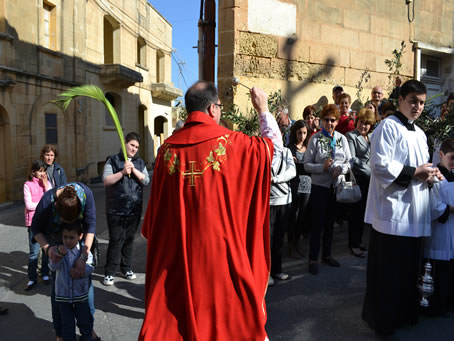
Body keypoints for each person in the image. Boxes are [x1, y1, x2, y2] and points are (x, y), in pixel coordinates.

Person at [139, 81, 282, 340]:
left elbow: (156, 215)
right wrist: (263, 110)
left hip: (177, 256)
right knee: (227, 322)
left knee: (175, 323)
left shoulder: (166, 151)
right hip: (221, 258)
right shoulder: (234, 143)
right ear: (213, 109)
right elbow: (273, 149)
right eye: (219, 107)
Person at [362, 79, 443, 336]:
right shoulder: (387, 126)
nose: (417, 107)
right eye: (413, 102)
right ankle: (384, 321)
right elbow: (379, 165)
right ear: (400, 100)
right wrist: (414, 172)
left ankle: (406, 313)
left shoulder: (420, 133)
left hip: (415, 214)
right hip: (393, 214)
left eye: (421, 103)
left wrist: (430, 175)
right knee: (389, 273)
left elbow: (422, 168)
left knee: (409, 270)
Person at [31, 183, 99, 341]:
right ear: (56, 207)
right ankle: (61, 333)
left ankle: (88, 329)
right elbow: (35, 227)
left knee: (85, 287)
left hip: (79, 241)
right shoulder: (47, 201)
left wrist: (83, 257)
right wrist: (48, 249)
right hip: (55, 242)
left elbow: (91, 226)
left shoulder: (86, 195)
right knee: (59, 289)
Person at [304, 104, 352, 275]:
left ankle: (326, 255)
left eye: (333, 120)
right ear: (321, 120)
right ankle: (313, 258)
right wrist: (321, 167)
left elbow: (349, 161)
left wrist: (343, 169)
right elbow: (306, 164)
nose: (329, 123)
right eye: (326, 120)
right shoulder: (316, 139)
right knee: (317, 224)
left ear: (337, 121)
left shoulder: (341, 138)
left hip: (336, 187)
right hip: (320, 187)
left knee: (330, 223)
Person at [102, 132, 150, 286]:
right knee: (116, 240)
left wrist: (133, 170)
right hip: (116, 209)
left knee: (129, 240)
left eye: (136, 147)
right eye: (132, 145)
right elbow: (106, 180)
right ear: (125, 144)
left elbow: (146, 180)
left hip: (134, 209)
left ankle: (126, 268)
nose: (134, 149)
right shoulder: (113, 160)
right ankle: (109, 272)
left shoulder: (140, 163)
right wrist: (122, 172)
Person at [48, 222, 94, 341]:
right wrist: (57, 256)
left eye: (71, 237)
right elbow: (52, 268)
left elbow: (91, 266)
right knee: (67, 325)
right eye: (65, 237)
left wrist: (81, 271)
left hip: (81, 295)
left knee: (85, 321)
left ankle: (87, 337)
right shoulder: (59, 251)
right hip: (62, 296)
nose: (68, 241)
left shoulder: (84, 252)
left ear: (80, 236)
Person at [424, 138, 454, 315]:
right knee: (439, 270)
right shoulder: (436, 177)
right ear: (441, 154)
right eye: (451, 157)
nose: (453, 162)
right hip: (440, 233)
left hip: (452, 231)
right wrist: (450, 209)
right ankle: (436, 305)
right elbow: (434, 207)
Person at [346, 109, 375, 258]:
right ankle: (353, 244)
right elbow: (352, 159)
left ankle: (359, 240)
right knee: (355, 213)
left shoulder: (371, 137)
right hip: (358, 179)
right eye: (361, 122)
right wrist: (370, 170)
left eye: (367, 123)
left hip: (370, 181)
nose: (364, 126)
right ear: (357, 121)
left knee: (364, 213)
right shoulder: (351, 136)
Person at [269, 141, 296, 286]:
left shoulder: (285, 152)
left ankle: (277, 269)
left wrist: (275, 179)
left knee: (279, 238)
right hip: (268, 202)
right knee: (268, 239)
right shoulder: (263, 151)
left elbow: (292, 171)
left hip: (284, 200)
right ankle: (266, 273)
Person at [24, 159, 52, 291]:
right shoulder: (28, 185)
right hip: (33, 223)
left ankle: (45, 274)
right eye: (40, 171)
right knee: (34, 252)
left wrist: (46, 184)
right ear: (33, 172)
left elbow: (52, 198)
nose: (42, 174)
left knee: (46, 249)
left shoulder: (46, 184)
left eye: (44, 171)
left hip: (46, 221)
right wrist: (43, 204)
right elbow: (29, 205)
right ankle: (32, 278)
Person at [287, 120, 312, 258]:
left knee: (303, 214)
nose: (301, 136)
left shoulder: (308, 147)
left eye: (304, 133)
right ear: (294, 133)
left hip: (307, 184)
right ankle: (291, 243)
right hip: (294, 184)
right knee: (293, 214)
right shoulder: (290, 148)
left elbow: (310, 166)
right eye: (299, 133)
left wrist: (301, 166)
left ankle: (297, 241)